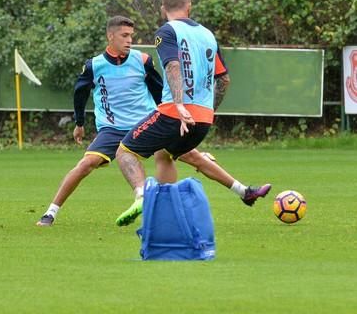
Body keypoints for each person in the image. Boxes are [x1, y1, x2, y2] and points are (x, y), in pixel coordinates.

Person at [37, 15, 270, 227]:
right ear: (110, 36)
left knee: (192, 156)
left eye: (132, 36)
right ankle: (50, 213)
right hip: (112, 129)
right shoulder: (94, 65)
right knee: (85, 165)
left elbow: (160, 92)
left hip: (145, 123)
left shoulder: (143, 60)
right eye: (124, 36)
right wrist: (79, 123)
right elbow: (80, 93)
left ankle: (244, 192)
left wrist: (175, 117)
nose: (130, 40)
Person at [114, 0, 271, 227]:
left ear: (162, 9)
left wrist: (178, 104)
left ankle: (142, 196)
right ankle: (244, 192)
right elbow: (224, 79)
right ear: (189, 7)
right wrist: (209, 111)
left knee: (125, 152)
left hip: (175, 113)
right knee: (170, 154)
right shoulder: (208, 35)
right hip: (203, 119)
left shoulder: (166, 31)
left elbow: (173, 66)